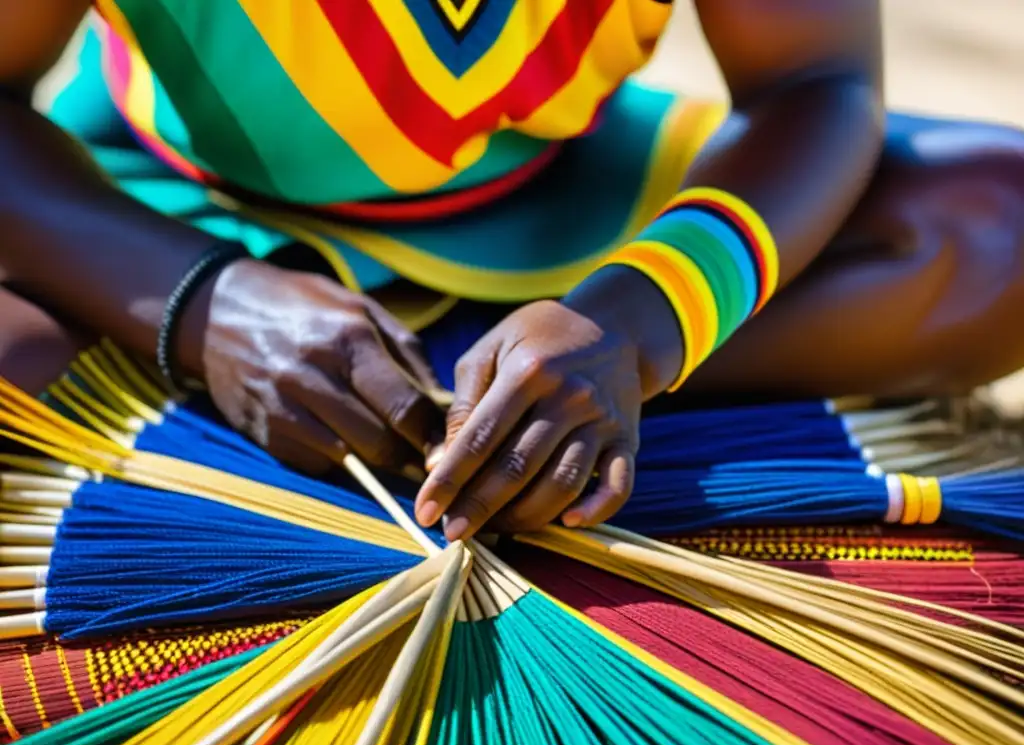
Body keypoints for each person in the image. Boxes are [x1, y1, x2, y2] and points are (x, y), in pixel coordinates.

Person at [1, 1, 1022, 542]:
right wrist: (206, 303)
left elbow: (816, 80)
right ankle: (494, 407)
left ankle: (462, 400)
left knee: (993, 231)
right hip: (168, 210)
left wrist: (638, 320)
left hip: (574, 211)